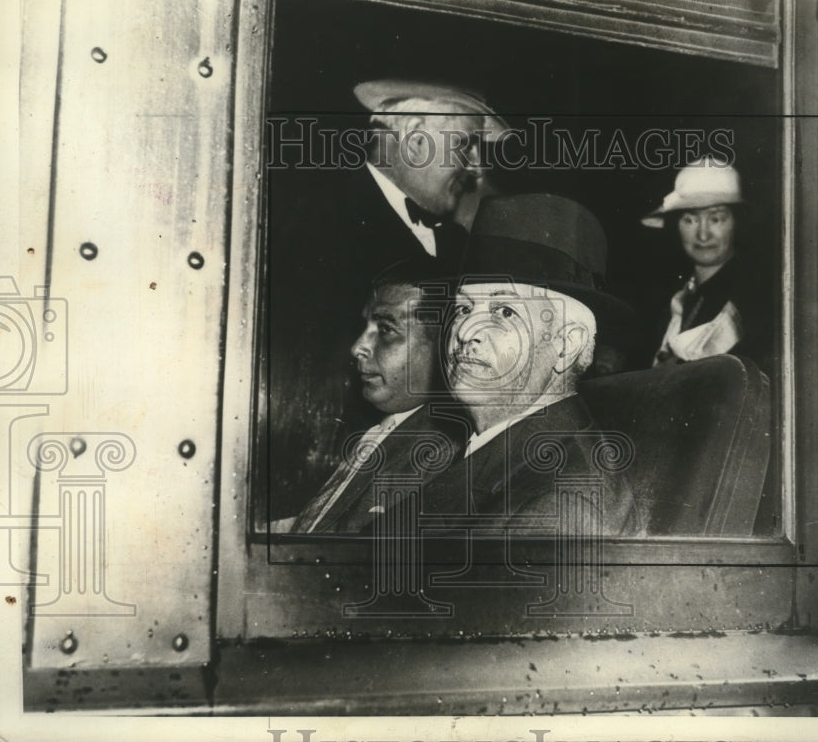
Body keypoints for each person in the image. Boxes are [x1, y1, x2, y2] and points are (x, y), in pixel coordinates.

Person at [268, 80, 505, 517]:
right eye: (468, 145)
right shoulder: (308, 215)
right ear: (415, 137)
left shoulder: (460, 244)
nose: (476, 167)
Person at [415, 194, 641, 537]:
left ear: (567, 344)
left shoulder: (563, 504)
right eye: (462, 309)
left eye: (504, 311)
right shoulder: (488, 452)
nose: (464, 331)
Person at [285, 258, 465, 534]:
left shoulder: (439, 458)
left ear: (445, 343)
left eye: (385, 330)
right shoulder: (382, 433)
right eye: (365, 329)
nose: (358, 347)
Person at [640, 156, 773, 377]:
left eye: (716, 219)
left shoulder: (755, 299)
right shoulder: (676, 301)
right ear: (676, 225)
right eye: (690, 220)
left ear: (735, 222)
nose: (703, 235)